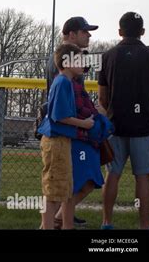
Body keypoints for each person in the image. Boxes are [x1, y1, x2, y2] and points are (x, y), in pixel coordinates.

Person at [99, 12, 149, 229]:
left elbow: (103, 97)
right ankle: (144, 225)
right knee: (143, 178)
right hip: (144, 127)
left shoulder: (108, 56)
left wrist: (112, 113)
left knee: (112, 175)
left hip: (115, 125)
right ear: (142, 32)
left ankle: (107, 222)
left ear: (120, 31)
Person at [45, 16, 99, 227]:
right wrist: (86, 122)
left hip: (71, 129)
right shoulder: (64, 66)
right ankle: (54, 221)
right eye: (85, 31)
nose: (89, 35)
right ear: (71, 34)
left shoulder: (70, 60)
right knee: (62, 186)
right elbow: (63, 110)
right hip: (67, 131)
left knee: (70, 184)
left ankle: (64, 218)